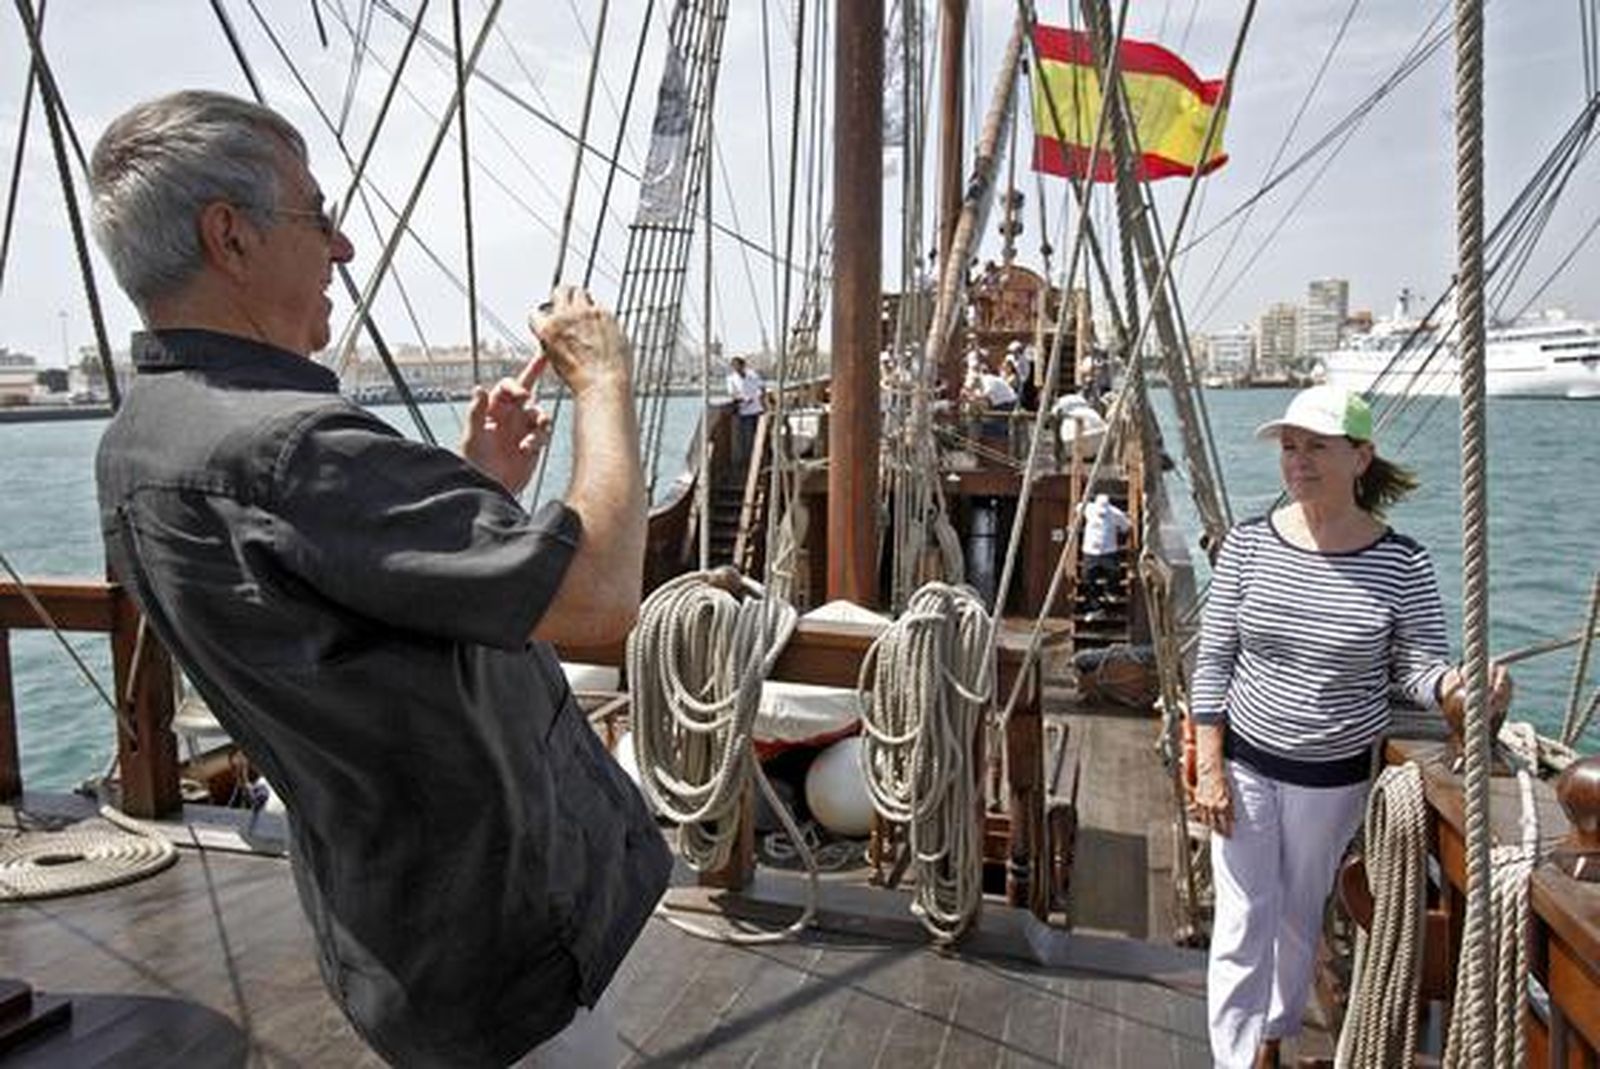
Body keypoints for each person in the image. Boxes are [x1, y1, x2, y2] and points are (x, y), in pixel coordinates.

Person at [89, 90, 671, 1068]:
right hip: (510, 953)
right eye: (316, 216)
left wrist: (478, 486)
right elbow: (600, 600)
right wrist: (605, 383)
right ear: (228, 237)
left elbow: (326, 619)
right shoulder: (293, 445)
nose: (344, 247)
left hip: (391, 927)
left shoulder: (138, 443)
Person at [1188, 384, 1512, 1068]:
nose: (1298, 460)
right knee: (1245, 914)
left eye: (1316, 446)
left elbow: (1417, 666)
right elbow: (1214, 659)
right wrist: (1210, 765)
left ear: (1361, 457)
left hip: (1330, 778)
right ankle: (1236, 1057)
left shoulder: (1403, 561)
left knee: (1299, 912)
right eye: (1289, 446)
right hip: (1245, 762)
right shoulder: (1248, 544)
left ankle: (1273, 1031)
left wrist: (1459, 685)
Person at [1078, 492, 1130, 617]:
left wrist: (1121, 530)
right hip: (1090, 551)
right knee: (1087, 578)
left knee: (1114, 573)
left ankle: (1110, 592)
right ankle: (1095, 606)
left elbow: (1126, 526)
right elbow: (1078, 508)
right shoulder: (1088, 508)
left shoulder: (1115, 513)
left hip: (1108, 551)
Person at [725, 354, 764, 472]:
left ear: (743, 366)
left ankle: (757, 461)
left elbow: (762, 387)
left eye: (739, 366)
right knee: (746, 439)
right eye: (734, 367)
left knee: (757, 437)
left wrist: (760, 398)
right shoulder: (731, 379)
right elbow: (732, 394)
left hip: (757, 410)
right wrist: (744, 399)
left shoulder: (752, 375)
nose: (737, 369)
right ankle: (747, 463)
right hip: (744, 411)